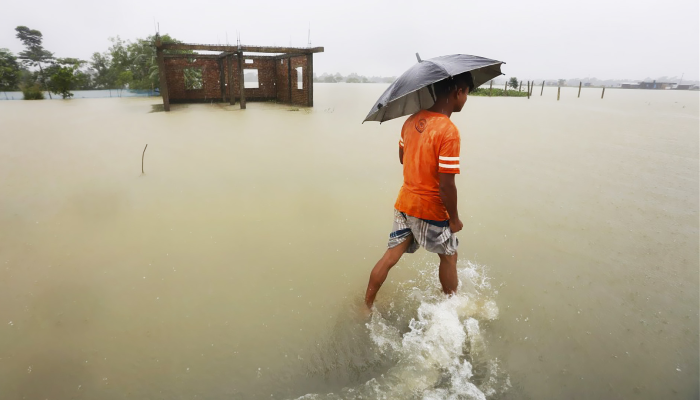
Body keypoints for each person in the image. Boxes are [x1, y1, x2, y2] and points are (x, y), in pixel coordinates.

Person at [364, 71, 474, 310]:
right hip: (430, 208)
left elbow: (403, 158)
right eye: (466, 94)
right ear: (458, 92)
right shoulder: (449, 131)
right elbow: (446, 184)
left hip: (405, 203)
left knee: (391, 256)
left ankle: (366, 306)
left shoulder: (410, 121)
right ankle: (451, 309)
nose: (466, 99)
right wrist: (453, 219)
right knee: (449, 256)